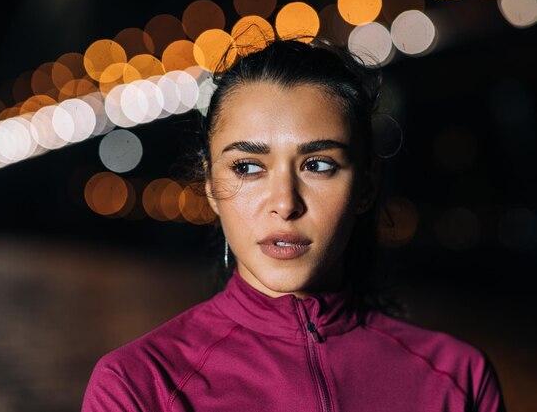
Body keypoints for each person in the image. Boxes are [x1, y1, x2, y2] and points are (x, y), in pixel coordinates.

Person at [81, 39, 506, 411]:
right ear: (210, 184)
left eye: (318, 165)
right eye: (248, 166)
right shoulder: (139, 386)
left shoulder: (458, 379)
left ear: (366, 185)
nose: (285, 204)